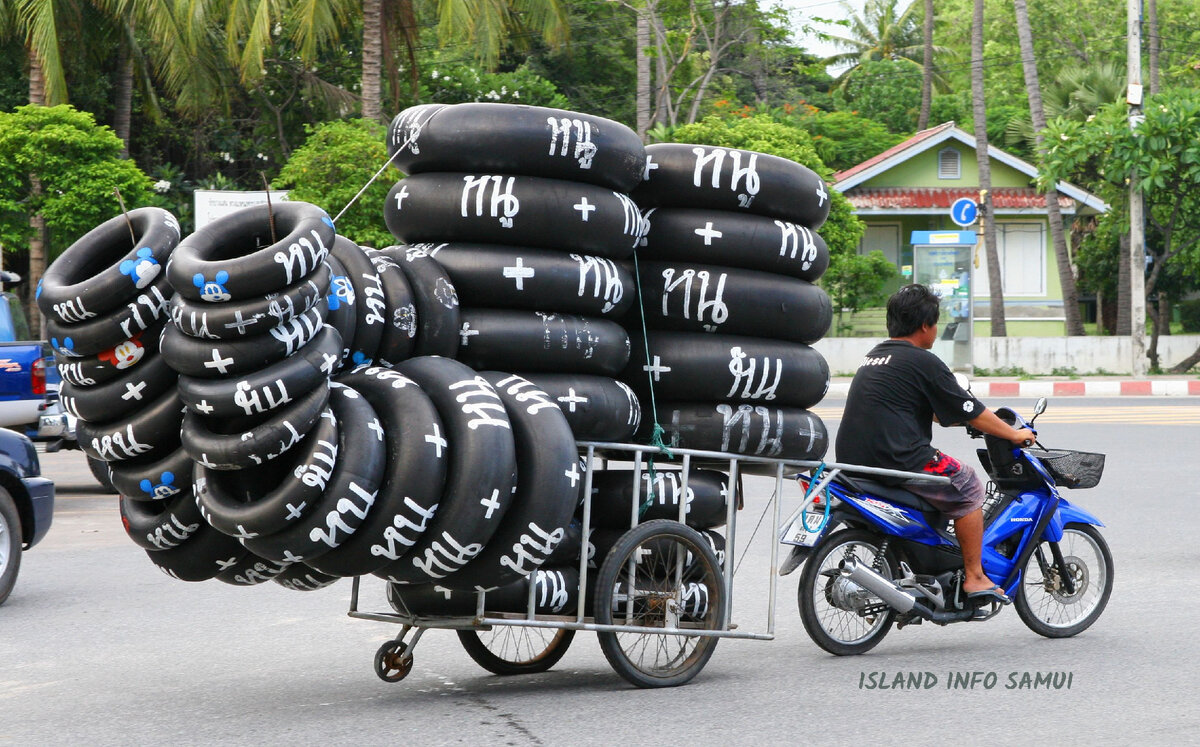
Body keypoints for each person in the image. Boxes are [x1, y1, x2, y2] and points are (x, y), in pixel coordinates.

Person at [836, 284, 1035, 605]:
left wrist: (965, 419)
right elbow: (971, 408)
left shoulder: (875, 357)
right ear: (926, 325)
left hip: (855, 459)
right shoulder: (923, 361)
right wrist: (1012, 434)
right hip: (899, 459)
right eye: (936, 323)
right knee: (969, 484)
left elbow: (931, 411)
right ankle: (974, 576)